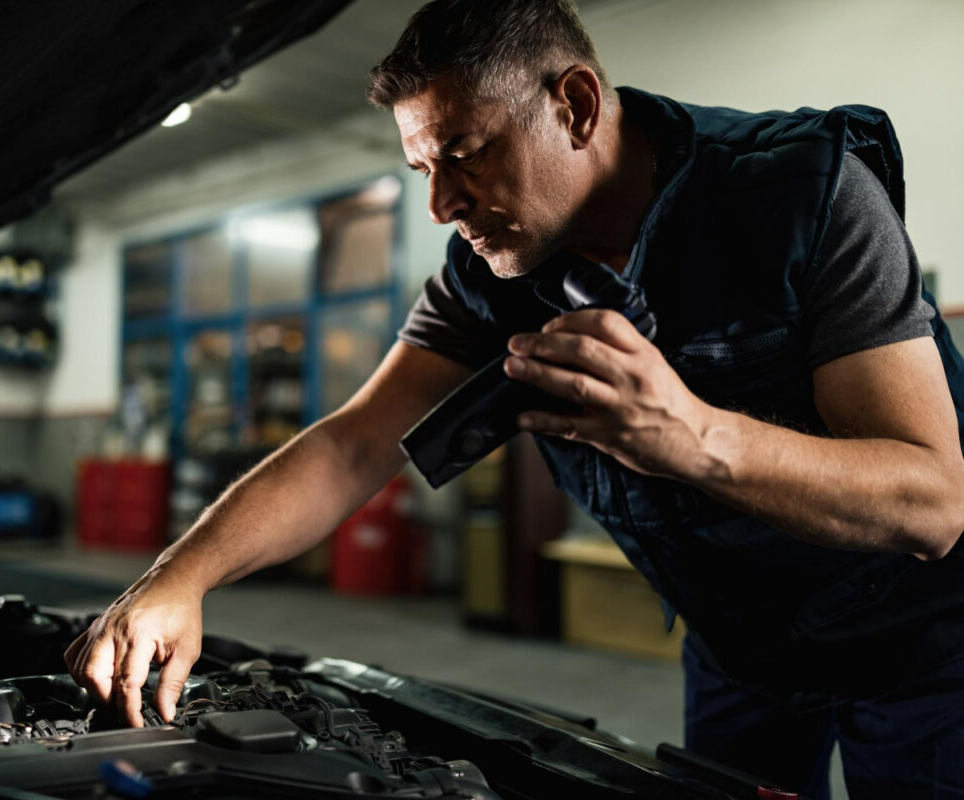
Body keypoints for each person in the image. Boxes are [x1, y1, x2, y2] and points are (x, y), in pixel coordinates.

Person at [65, 1, 964, 796]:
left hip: (923, 647)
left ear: (572, 106)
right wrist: (178, 577)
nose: (443, 202)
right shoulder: (486, 280)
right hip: (740, 646)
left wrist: (695, 436)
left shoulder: (807, 195)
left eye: (463, 153)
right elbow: (351, 447)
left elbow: (933, 502)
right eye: (423, 169)